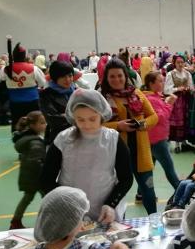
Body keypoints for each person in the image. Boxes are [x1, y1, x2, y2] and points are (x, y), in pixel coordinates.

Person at [42, 89, 133, 222]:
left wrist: (111, 204)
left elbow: (126, 178)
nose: (87, 125)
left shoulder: (112, 139)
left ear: (101, 115)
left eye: (92, 119)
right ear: (73, 118)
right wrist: (67, 204)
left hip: (106, 208)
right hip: (70, 212)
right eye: (80, 120)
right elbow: (46, 180)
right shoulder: (63, 139)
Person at [100, 59, 158, 214]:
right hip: (116, 154)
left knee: (148, 190)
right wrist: (118, 126)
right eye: (112, 76)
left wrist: (142, 124)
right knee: (119, 194)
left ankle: (153, 221)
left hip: (141, 152)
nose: (117, 79)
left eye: (120, 75)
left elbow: (153, 116)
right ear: (106, 78)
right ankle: (119, 224)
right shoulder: (102, 98)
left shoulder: (137, 93)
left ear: (125, 76)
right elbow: (96, 125)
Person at [0, 40, 47, 131]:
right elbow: (43, 83)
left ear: (13, 56)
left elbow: (0, 80)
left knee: (17, 124)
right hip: (32, 101)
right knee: (34, 124)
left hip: (15, 102)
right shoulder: (34, 68)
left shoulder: (5, 69)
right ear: (24, 56)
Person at [10, 111, 47, 230]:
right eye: (41, 123)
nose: (45, 125)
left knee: (27, 198)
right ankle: (50, 221)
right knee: (49, 198)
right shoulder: (35, 142)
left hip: (28, 175)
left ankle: (15, 221)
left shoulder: (28, 138)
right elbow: (36, 162)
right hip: (36, 177)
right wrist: (44, 175)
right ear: (32, 126)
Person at [144, 72, 180, 191]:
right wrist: (169, 104)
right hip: (157, 139)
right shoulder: (151, 99)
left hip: (153, 138)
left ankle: (140, 193)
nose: (162, 83)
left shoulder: (153, 96)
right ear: (151, 84)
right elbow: (161, 117)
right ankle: (181, 192)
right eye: (160, 81)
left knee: (149, 167)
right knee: (169, 168)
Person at [39, 61, 75, 145]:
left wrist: (65, 115)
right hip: (59, 138)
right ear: (55, 77)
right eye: (63, 77)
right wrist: (78, 117)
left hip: (80, 136)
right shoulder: (46, 94)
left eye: (70, 76)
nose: (67, 80)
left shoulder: (76, 90)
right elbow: (53, 119)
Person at [164, 55, 193, 150]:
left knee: (185, 119)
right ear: (174, 63)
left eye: (182, 62)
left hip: (186, 99)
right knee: (177, 121)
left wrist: (189, 88)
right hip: (176, 100)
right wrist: (177, 88)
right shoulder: (171, 74)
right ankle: (177, 144)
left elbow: (191, 86)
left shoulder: (187, 73)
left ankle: (184, 142)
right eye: (178, 62)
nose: (180, 64)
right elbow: (167, 90)